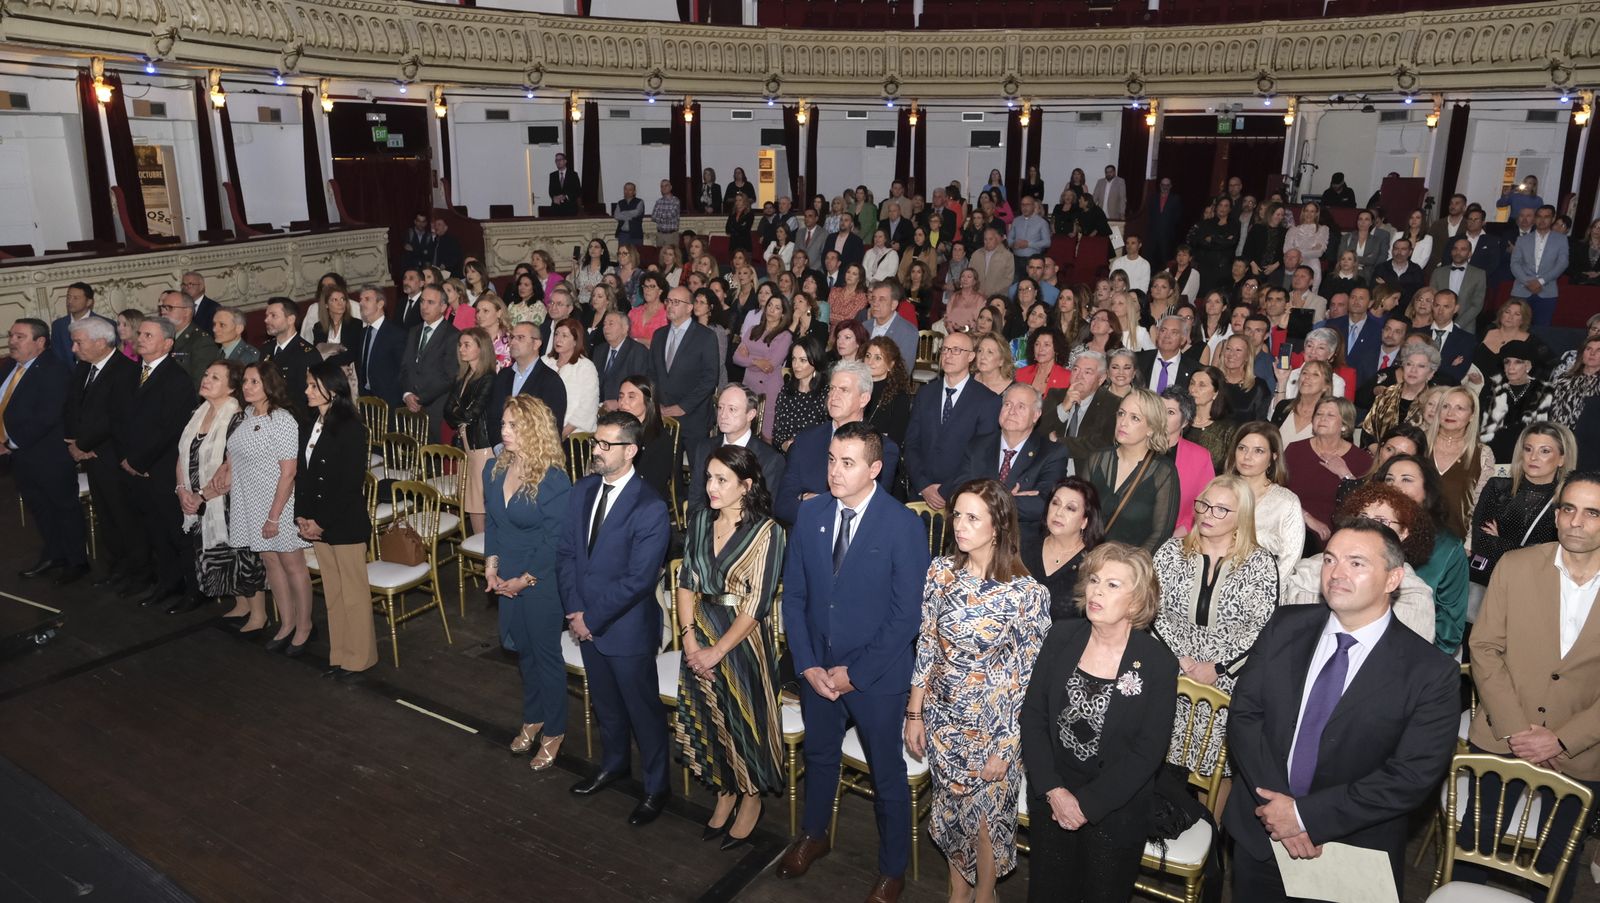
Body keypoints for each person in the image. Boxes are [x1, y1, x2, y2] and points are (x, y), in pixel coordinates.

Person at [1224, 520, 1458, 900]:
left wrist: (1305, 817)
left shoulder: (1429, 672)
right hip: (1261, 832)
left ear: (1392, 579)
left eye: (1357, 563)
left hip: (1351, 847)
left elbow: (1410, 776)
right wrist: (1280, 809)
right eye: (1330, 559)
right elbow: (1245, 715)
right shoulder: (1284, 626)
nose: (1336, 573)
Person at [776, 422, 930, 903]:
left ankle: (891, 870)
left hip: (876, 677)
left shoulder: (902, 524)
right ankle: (814, 835)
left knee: (887, 776)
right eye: (830, 460)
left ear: (875, 469)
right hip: (819, 670)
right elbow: (795, 596)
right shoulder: (812, 513)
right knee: (820, 757)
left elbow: (907, 615)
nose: (834, 472)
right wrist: (806, 664)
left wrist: (856, 674)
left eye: (847, 463)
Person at [905, 479, 1049, 899]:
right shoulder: (940, 572)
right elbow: (927, 644)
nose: (960, 526)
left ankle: (985, 894)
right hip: (942, 717)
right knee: (951, 812)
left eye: (972, 518)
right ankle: (957, 891)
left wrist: (1007, 747)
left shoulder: (1027, 594)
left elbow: (1030, 680)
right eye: (957, 516)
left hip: (994, 727)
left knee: (988, 817)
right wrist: (915, 712)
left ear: (999, 526)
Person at [1466, 472, 1600, 903]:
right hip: (1504, 735)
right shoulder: (1517, 565)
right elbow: (1484, 647)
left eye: (1592, 512)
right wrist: (1517, 729)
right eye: (1568, 509)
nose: (1576, 522)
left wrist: (1561, 738)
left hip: (1579, 752)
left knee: (1556, 868)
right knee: (1472, 850)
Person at [1019, 541, 1177, 903]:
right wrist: (1054, 791)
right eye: (1094, 580)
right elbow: (1034, 716)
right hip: (1053, 796)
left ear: (1137, 602)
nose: (1097, 591)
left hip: (1114, 808)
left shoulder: (1156, 663)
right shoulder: (1061, 636)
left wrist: (1087, 806)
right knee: (1047, 891)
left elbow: (1148, 752)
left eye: (1112, 585)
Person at [559, 410, 673, 824]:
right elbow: (567, 554)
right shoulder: (583, 489)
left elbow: (638, 581)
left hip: (624, 630)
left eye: (607, 445)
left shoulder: (650, 506)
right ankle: (614, 764)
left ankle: (657, 787)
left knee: (643, 711)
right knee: (606, 705)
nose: (597, 450)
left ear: (632, 451)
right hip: (585, 621)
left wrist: (592, 618)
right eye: (596, 442)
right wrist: (574, 610)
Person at [674, 445, 786, 849]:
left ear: (747, 485)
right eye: (708, 477)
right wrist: (688, 637)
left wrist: (716, 651)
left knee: (743, 721)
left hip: (740, 641)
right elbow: (686, 580)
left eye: (722, 479)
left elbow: (756, 605)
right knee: (709, 718)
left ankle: (751, 796)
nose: (711, 486)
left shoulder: (768, 532)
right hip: (698, 629)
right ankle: (725, 789)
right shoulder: (701, 520)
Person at [1153, 474, 1278, 789]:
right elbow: (1151, 609)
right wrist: (1177, 658)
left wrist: (1219, 668)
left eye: (1221, 509)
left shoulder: (1259, 564)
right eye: (1204, 505)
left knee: (1216, 773)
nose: (1208, 514)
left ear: (1242, 518)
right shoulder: (1170, 552)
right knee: (1156, 764)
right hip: (1170, 671)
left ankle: (1211, 833)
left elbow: (1262, 627)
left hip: (1228, 682)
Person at [484, 395, 571, 768]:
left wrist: (525, 579)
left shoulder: (553, 478)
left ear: (534, 430)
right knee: (524, 653)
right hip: (507, 575)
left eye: (513, 426)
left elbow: (556, 540)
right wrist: (491, 566)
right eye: (504, 424)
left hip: (541, 579)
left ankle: (554, 729)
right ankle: (533, 716)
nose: (504, 431)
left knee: (545, 656)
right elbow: (492, 522)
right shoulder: (495, 468)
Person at [225, 362, 314, 654]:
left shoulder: (283, 420)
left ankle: (304, 626)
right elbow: (234, 456)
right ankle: (286, 623)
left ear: (268, 386)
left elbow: (289, 472)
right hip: (250, 500)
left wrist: (274, 516)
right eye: (246, 382)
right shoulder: (247, 415)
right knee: (270, 563)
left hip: (279, 502)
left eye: (254, 382)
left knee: (292, 565)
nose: (247, 387)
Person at [294, 360, 375, 677]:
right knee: (334, 593)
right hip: (317, 523)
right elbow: (305, 474)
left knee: (353, 594)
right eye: (308, 385)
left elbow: (348, 484)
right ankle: (340, 654)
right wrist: (302, 515)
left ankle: (360, 658)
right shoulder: (311, 423)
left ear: (333, 388)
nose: (307, 391)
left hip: (343, 522)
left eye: (313, 385)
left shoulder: (351, 427)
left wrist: (321, 521)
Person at [119, 317, 201, 606]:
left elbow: (171, 429)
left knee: (176, 531)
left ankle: (194, 589)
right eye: (140, 334)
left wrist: (139, 461)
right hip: (135, 466)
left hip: (161, 468)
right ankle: (168, 583)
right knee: (154, 530)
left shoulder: (176, 378)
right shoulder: (132, 373)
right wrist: (127, 458)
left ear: (167, 343)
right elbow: (122, 420)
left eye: (149, 335)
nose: (140, 339)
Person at [4, 319, 89, 584]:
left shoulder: (54, 370)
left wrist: (9, 442)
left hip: (47, 456)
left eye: (20, 336)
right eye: (11, 335)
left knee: (63, 508)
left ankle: (77, 561)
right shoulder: (10, 366)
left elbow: (46, 416)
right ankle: (54, 553)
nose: (12, 341)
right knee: (40, 508)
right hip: (20, 457)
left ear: (40, 342)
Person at [774, 360, 900, 525]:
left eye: (844, 390)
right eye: (832, 389)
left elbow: (873, 510)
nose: (833, 396)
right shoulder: (805, 440)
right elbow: (783, 505)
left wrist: (813, 503)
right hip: (806, 538)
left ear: (864, 399)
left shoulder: (884, 448)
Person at [1468, 420, 1572, 620]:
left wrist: (1499, 541)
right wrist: (1526, 549)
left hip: (1534, 594)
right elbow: (1481, 543)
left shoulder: (1566, 503)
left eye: (1545, 451)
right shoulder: (1497, 487)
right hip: (1487, 585)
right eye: (1528, 449)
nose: (1533, 457)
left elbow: (1549, 558)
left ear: (1561, 459)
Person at [174, 360, 254, 615]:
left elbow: (229, 474)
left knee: (238, 557)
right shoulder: (197, 414)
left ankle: (255, 612)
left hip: (228, 502)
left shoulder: (237, 418)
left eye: (216, 377)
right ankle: (240, 606)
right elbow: (182, 456)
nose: (206, 379)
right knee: (217, 557)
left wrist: (200, 496)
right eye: (207, 374)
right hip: (198, 499)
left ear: (231, 388)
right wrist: (181, 490)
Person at [64, 316, 139, 587]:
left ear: (100, 342)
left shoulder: (125, 371)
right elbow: (74, 406)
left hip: (111, 456)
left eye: (78, 342)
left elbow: (115, 418)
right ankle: (117, 567)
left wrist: (84, 446)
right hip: (90, 455)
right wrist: (73, 441)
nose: (73, 348)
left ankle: (137, 571)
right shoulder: (85, 368)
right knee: (106, 516)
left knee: (123, 516)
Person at [1373, 454, 1470, 654]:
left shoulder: (1447, 547)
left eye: (1406, 479)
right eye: (1389, 479)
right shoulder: (1363, 533)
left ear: (1427, 491)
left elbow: (1449, 632)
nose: (1394, 486)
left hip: (1419, 657)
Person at [902, 330, 1002, 513]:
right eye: (945, 349)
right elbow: (911, 443)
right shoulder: (925, 394)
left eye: (956, 350)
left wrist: (945, 490)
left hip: (961, 496)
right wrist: (923, 485)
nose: (948, 355)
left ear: (971, 356)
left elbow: (981, 455)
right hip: (920, 493)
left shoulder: (988, 401)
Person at [948, 383, 1070, 531]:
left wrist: (984, 500)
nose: (1012, 411)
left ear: (1036, 415)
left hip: (1020, 542)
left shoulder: (1051, 453)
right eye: (1007, 404)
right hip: (973, 535)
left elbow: (1045, 504)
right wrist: (1008, 499)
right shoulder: (977, 446)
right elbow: (957, 491)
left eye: (1021, 407)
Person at [1083, 387, 1179, 553]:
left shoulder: (1163, 471)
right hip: (1086, 558)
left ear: (1151, 428)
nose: (1123, 422)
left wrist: (1128, 566)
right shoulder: (1097, 459)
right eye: (1121, 413)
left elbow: (1160, 534)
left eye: (1135, 418)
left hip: (1128, 568)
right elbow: (1079, 510)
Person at [684, 383, 786, 518]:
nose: (723, 415)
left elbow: (764, 512)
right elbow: (695, 500)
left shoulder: (769, 459)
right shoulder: (704, 448)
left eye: (732, 409)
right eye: (720, 408)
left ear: (750, 414)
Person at [1285, 398, 1371, 544]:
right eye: (1319, 414)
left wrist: (1345, 474)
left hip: (1341, 534)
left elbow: (1363, 506)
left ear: (1344, 424)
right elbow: (1278, 492)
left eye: (1330, 415)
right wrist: (1306, 518)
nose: (1322, 419)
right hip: (1293, 523)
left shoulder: (1361, 460)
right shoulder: (1294, 450)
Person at [1227, 421, 1305, 583]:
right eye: (1242, 448)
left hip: (1264, 587)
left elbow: (1290, 558)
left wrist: (1264, 590)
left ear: (1273, 457)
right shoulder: (1220, 492)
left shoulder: (1286, 502)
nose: (1247, 457)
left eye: (1258, 451)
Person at [1020, 477, 1104, 621]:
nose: (1058, 512)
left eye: (1070, 508)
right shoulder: (1024, 548)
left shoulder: (1094, 565)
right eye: (1055, 503)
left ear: (1085, 521)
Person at [442, 327, 498, 537]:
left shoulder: (489, 378)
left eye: (467, 345)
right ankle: (480, 548)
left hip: (481, 445)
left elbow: (472, 414)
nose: (461, 349)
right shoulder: (463, 376)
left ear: (481, 348)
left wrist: (460, 414)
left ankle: (484, 549)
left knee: (478, 501)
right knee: (473, 500)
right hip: (467, 444)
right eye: (460, 345)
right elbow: (447, 412)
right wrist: (461, 415)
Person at [649, 286, 720, 442]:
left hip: (693, 418)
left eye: (676, 302)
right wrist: (657, 403)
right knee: (665, 466)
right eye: (668, 301)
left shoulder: (706, 336)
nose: (669, 305)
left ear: (689, 307)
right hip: (662, 416)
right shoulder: (659, 335)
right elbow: (651, 373)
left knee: (697, 466)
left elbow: (710, 379)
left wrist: (683, 407)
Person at [1427, 385, 1494, 540]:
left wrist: (1470, 543)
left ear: (1471, 416)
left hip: (1455, 543)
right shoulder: (1418, 443)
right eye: (1446, 406)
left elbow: (1482, 506)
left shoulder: (1483, 454)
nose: (1450, 413)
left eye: (1460, 408)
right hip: (1410, 537)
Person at [733, 289, 793, 441]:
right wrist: (756, 361)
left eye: (777, 307)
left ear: (783, 314)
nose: (772, 310)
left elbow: (770, 365)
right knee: (746, 430)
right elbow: (736, 358)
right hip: (748, 385)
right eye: (770, 305)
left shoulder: (785, 336)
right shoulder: (753, 330)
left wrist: (750, 356)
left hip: (769, 388)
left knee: (766, 435)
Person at [1161, 387, 1217, 536]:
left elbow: (1205, 503)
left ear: (1185, 422)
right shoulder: (1138, 446)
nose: (1161, 416)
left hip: (1176, 536)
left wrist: (1180, 533)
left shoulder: (1200, 457)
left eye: (1170, 412)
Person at [50, 281, 114, 365]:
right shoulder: (58, 325)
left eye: (75, 298)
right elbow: (57, 357)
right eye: (68, 297)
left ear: (89, 302)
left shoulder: (105, 324)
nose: (70, 301)